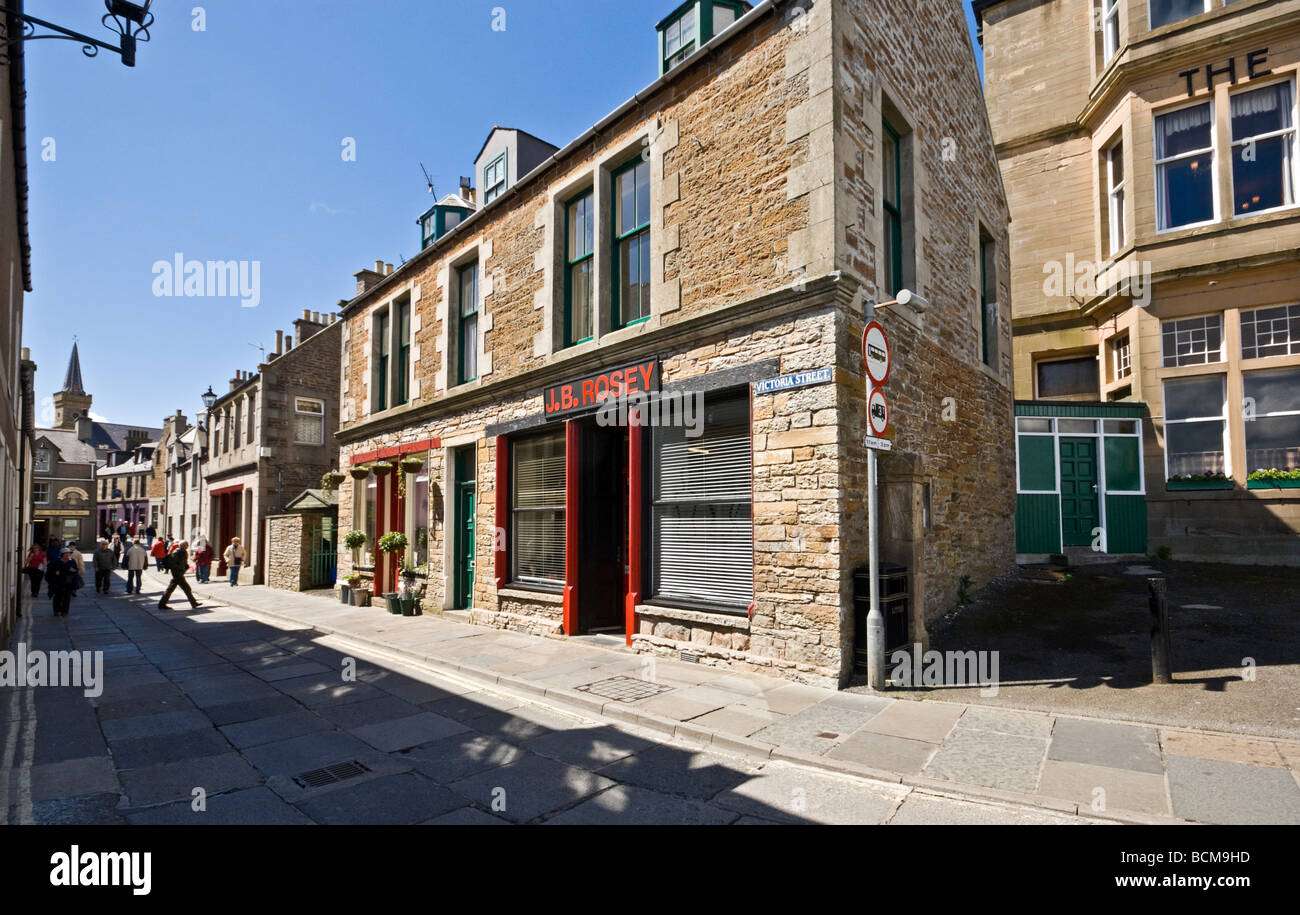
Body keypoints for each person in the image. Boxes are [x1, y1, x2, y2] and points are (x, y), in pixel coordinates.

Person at [159, 539, 202, 611]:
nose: (188, 546)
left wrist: (186, 566)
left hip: (179, 573)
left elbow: (182, 562)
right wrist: (180, 569)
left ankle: (162, 604)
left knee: (172, 589)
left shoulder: (183, 551)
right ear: (183, 545)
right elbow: (173, 563)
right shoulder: (177, 552)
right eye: (187, 544)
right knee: (185, 588)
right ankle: (193, 603)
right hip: (177, 573)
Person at [45, 547, 77, 617]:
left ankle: (65, 611)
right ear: (62, 555)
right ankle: (56, 610)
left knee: (67, 598)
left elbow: (76, 571)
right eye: (66, 554)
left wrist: (74, 570)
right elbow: (49, 572)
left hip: (68, 583)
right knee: (57, 597)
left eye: (69, 554)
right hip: (58, 583)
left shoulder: (72, 561)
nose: (68, 555)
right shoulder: (56, 562)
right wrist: (55, 572)